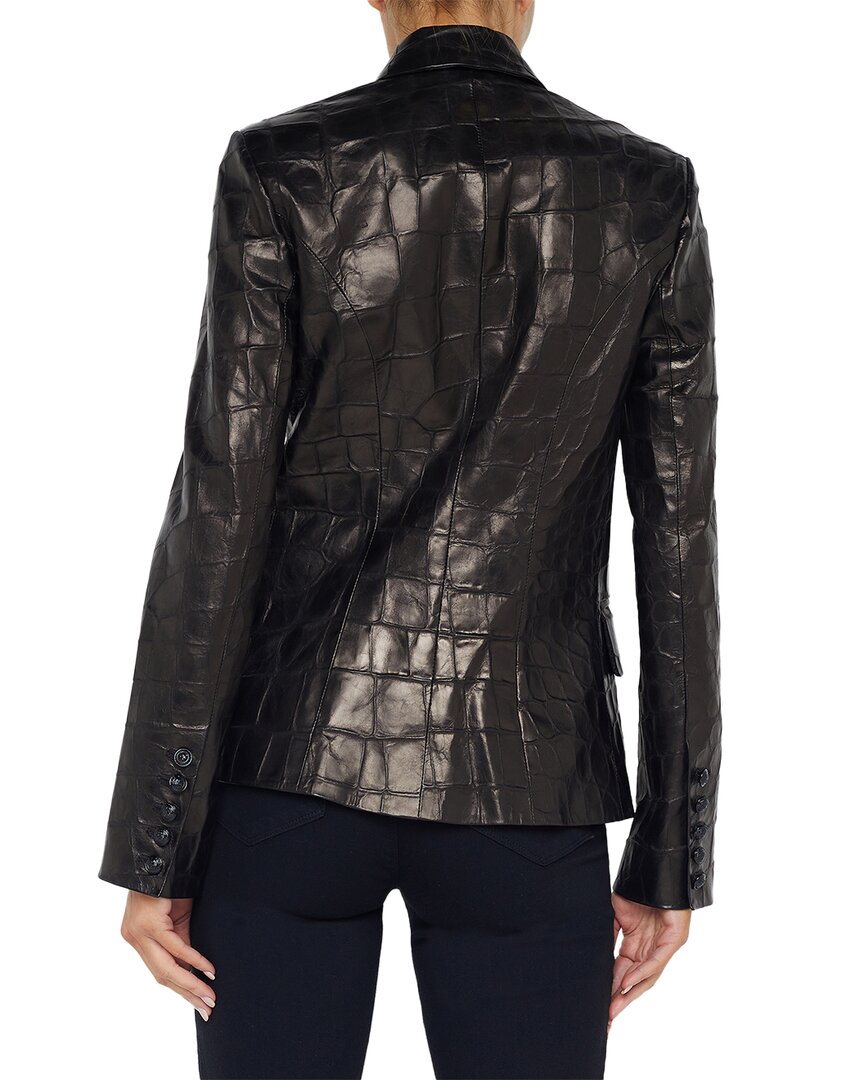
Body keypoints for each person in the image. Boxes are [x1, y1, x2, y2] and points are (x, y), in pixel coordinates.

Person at [98, 1, 722, 1077]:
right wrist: (673, 848)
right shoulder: (646, 188)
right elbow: (679, 535)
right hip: (528, 775)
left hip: (292, 765)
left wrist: (156, 838)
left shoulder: (285, 165)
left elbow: (218, 507)